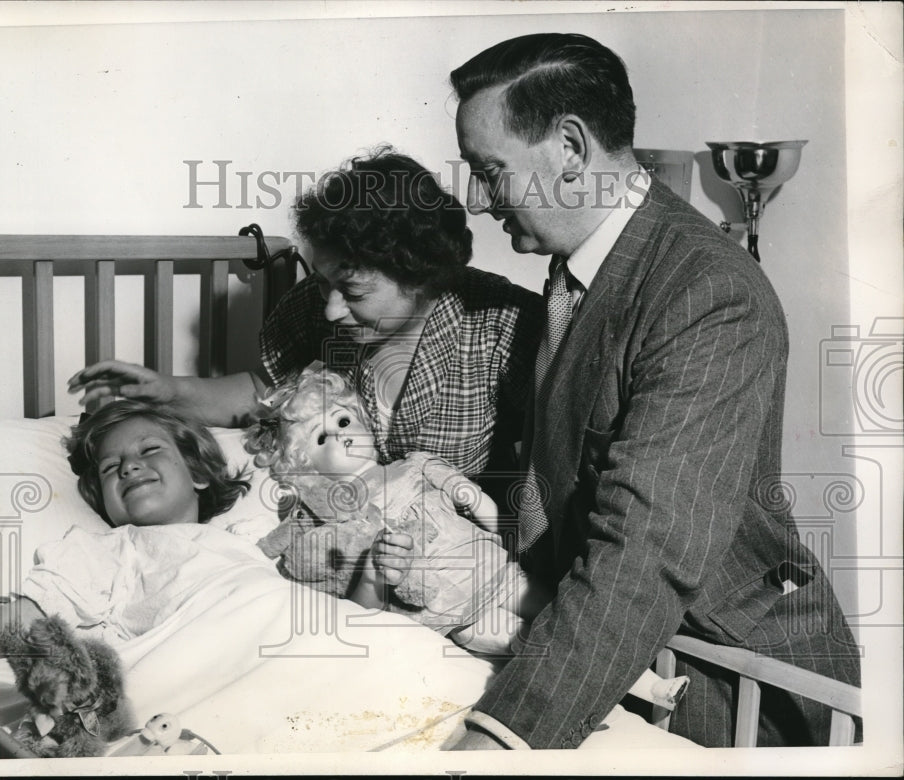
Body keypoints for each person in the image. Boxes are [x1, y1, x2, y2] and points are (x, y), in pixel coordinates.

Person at [445, 33, 861, 750]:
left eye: (490, 172)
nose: (479, 203)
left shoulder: (708, 293)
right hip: (623, 648)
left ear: (570, 148)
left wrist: (500, 739)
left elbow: (643, 550)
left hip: (731, 682)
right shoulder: (584, 270)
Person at [67, 149, 542, 490]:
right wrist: (168, 391)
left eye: (353, 292)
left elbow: (556, 465)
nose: (331, 309)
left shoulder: (500, 328)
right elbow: (266, 392)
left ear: (423, 275)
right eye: (321, 284)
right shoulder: (312, 311)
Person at [247, 364, 689, 710]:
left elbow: (474, 501)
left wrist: (481, 506)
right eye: (322, 436)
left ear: (363, 420)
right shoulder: (341, 522)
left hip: (498, 570)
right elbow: (354, 602)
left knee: (571, 619)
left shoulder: (414, 464)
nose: (341, 436)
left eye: (343, 420)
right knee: (532, 645)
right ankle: (607, 706)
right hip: (456, 616)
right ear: (306, 464)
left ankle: (652, 686)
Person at [0, 400, 251, 668]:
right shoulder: (115, 551)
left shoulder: (241, 538)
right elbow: (34, 611)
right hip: (204, 656)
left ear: (197, 473)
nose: (129, 467)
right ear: (104, 503)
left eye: (150, 449)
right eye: (110, 468)